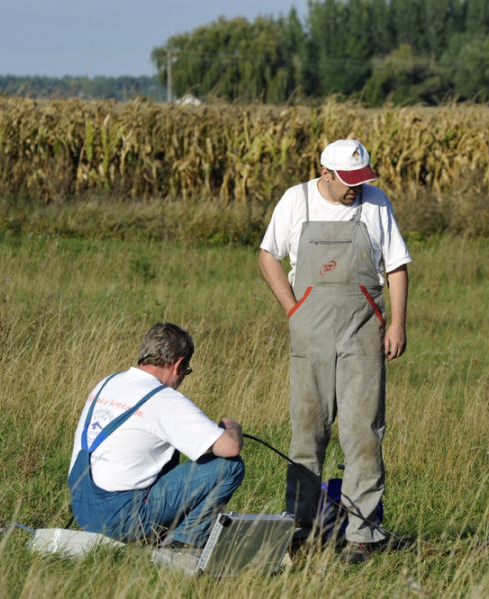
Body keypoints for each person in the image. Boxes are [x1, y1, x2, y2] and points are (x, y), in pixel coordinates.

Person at [258, 139, 411, 562]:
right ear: (325, 173)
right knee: (308, 432)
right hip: (311, 333)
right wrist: (293, 309)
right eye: (349, 180)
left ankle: (363, 536)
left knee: (363, 433)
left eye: (363, 180)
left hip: (364, 331)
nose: (356, 188)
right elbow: (268, 255)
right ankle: (299, 528)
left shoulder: (376, 202)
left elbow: (395, 266)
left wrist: (397, 323)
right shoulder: (297, 200)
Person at [68, 322, 245, 550]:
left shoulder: (107, 382)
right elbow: (229, 448)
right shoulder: (165, 400)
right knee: (229, 466)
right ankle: (182, 545)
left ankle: (157, 535)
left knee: (168, 453)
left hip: (83, 508)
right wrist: (232, 427)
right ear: (178, 364)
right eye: (186, 371)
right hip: (121, 516)